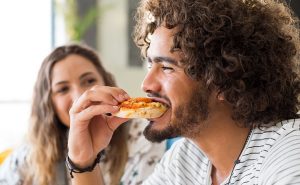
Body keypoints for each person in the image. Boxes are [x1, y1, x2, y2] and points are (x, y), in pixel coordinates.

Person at [66, 0, 300, 184]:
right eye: (150, 65)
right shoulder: (187, 158)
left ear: (223, 79)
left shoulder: (289, 155)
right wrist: (83, 160)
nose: (146, 84)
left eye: (167, 67)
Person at [0, 44, 166, 185]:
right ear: (49, 104)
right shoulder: (29, 156)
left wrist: (84, 163)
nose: (79, 96)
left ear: (106, 83)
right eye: (63, 89)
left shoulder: (144, 136)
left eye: (89, 81)